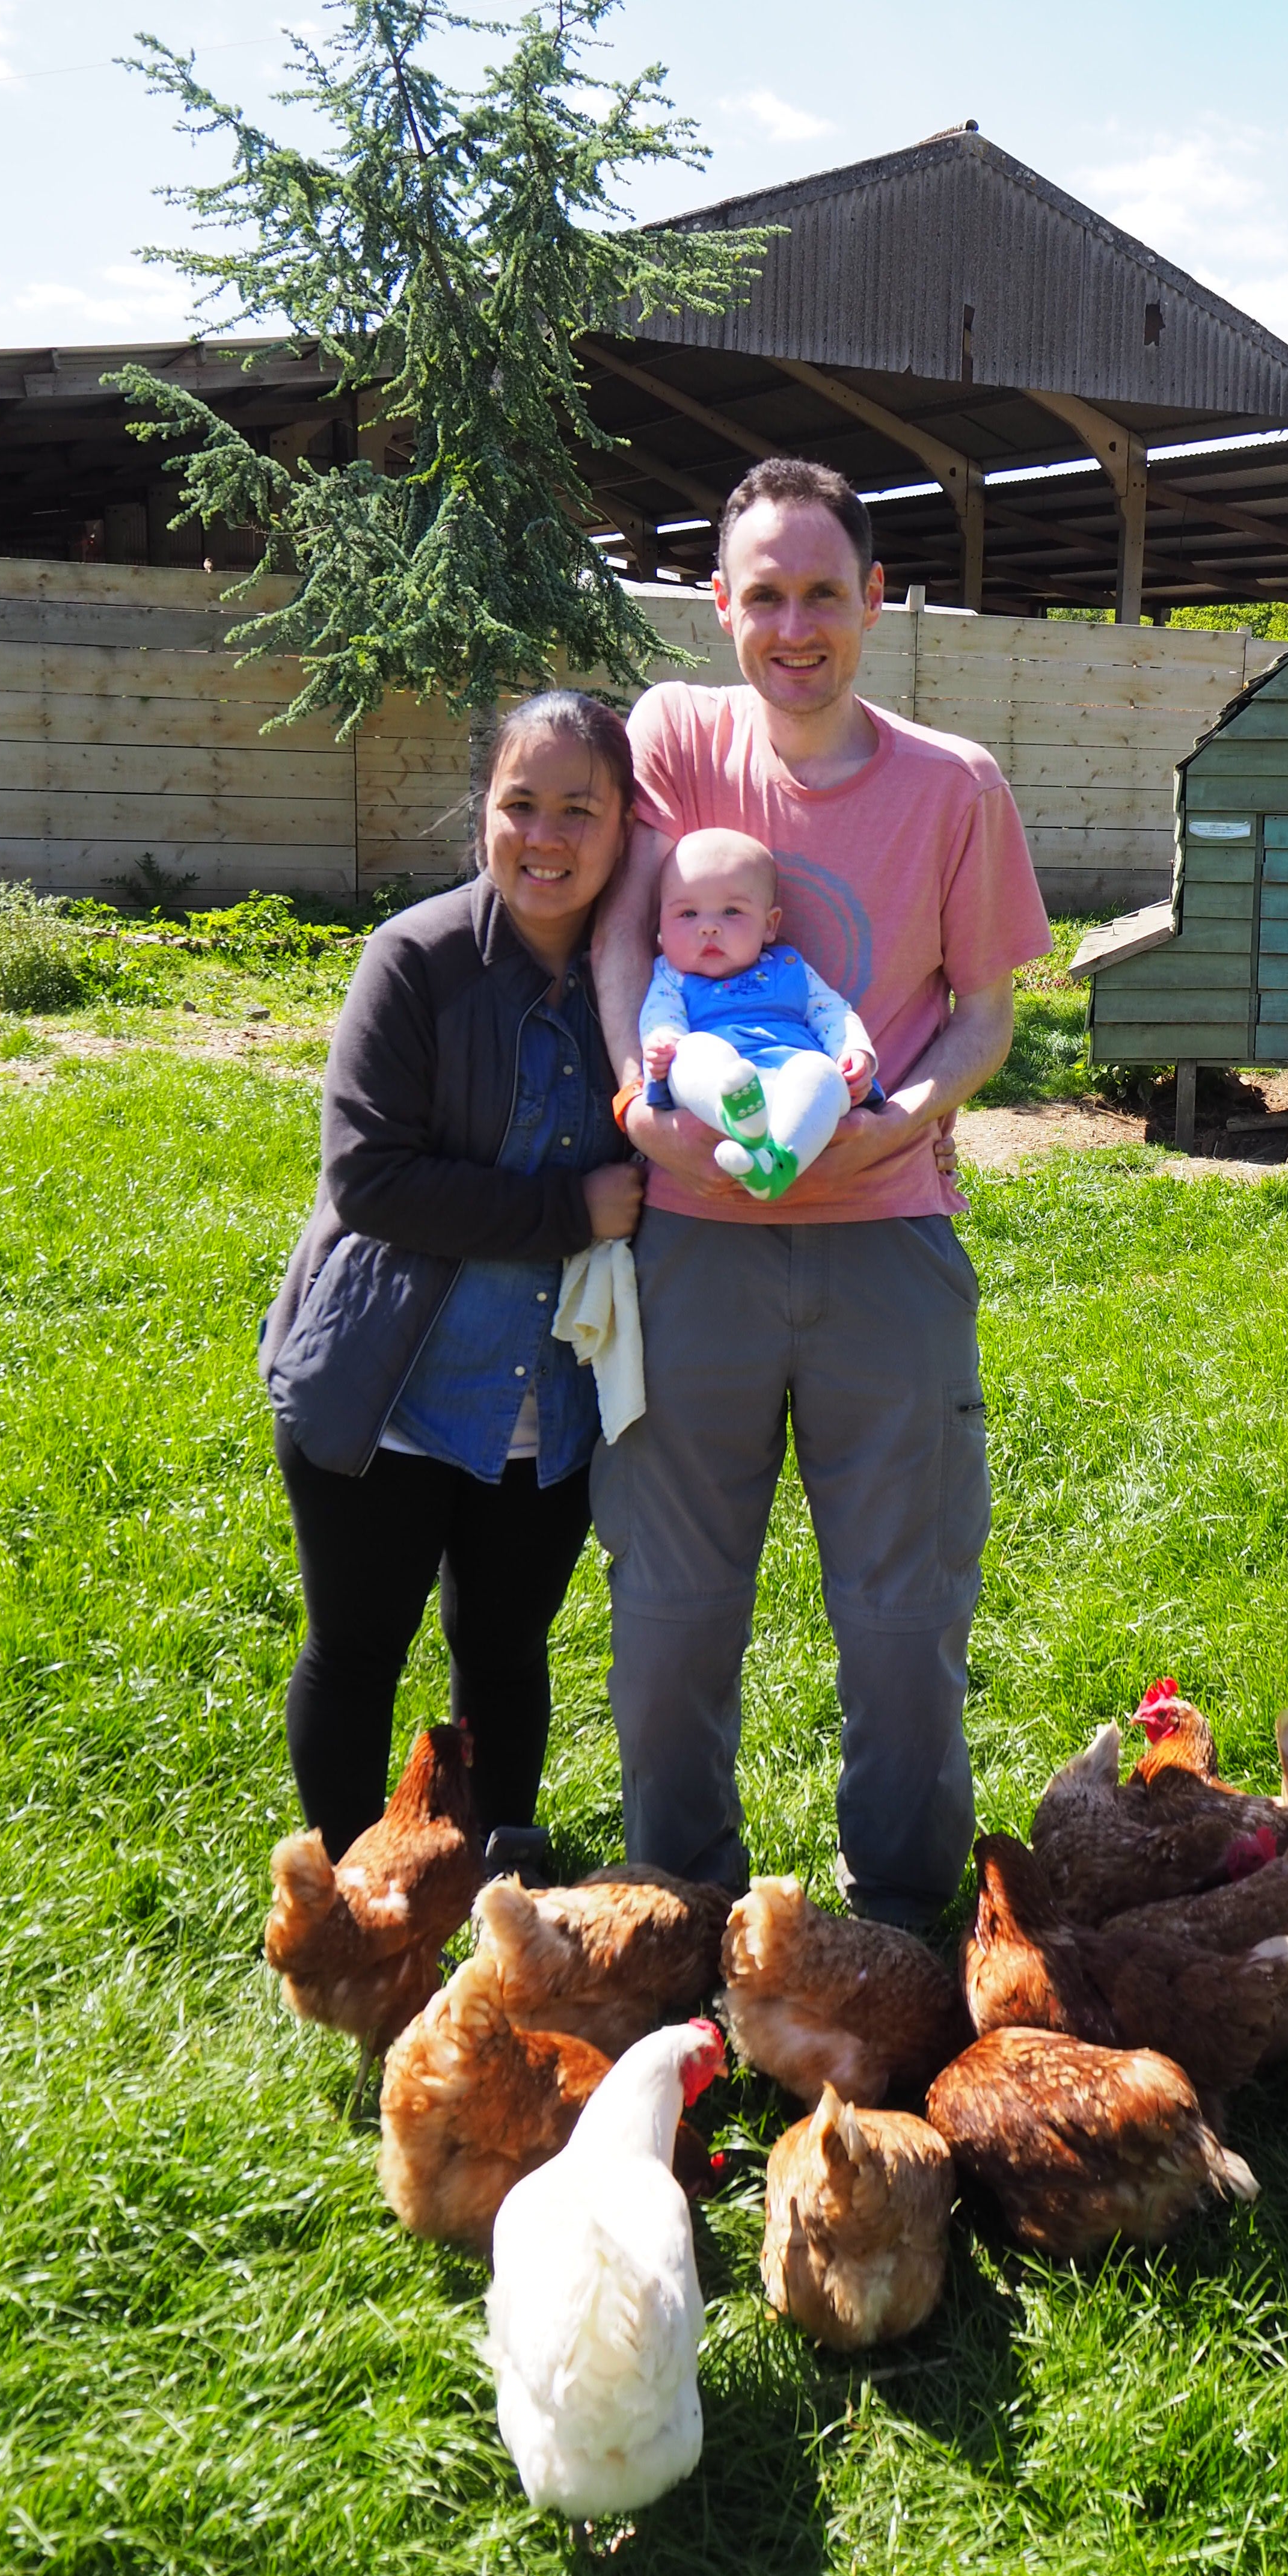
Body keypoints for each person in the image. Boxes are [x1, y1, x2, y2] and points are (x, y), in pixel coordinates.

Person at [593, 455, 1053, 1927]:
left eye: (823, 594)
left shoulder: (954, 785)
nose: (795, 626)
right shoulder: (672, 738)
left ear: (873, 601)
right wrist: (641, 1098)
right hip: (691, 1253)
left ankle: (907, 1928)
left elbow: (984, 1010)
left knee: (903, 1613)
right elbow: (622, 941)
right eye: (765, 594)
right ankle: (674, 1913)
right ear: (720, 605)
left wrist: (900, 1120)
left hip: (884, 1246)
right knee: (668, 1611)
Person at [260, 690, 645, 1877]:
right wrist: (565, 1214)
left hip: (550, 1396)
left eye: (579, 808)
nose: (546, 836)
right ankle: (344, 1901)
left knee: (505, 1647)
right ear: (480, 812)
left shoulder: (647, 981)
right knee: (361, 1644)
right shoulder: (416, 960)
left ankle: (489, 1886)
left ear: (628, 823)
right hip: (393, 1382)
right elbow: (370, 1178)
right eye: (519, 804)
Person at [638, 824, 877, 1200]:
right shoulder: (672, 978)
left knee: (820, 1073)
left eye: (731, 911)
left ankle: (776, 1162)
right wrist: (661, 1042)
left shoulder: (791, 967)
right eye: (687, 914)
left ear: (769, 925)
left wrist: (854, 1053)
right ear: (661, 929)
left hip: (791, 1081)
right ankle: (743, 1126)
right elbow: (660, 1016)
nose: (709, 928)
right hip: (718, 1085)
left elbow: (833, 1013)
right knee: (692, 1051)